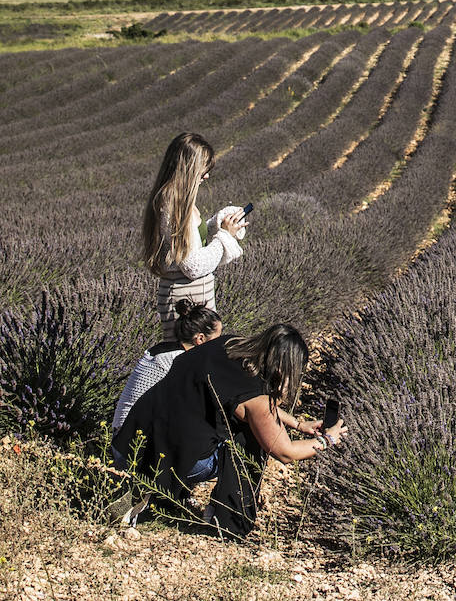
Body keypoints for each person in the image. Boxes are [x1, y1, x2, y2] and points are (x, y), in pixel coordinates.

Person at [113, 323, 347, 537]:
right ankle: (229, 519)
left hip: (131, 444)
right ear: (286, 368)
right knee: (251, 438)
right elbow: (285, 451)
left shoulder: (226, 345)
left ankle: (150, 490)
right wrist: (329, 439)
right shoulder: (257, 399)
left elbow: (248, 402)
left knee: (238, 423)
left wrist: (296, 423)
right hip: (169, 462)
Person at [141, 131, 246, 336]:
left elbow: (191, 242)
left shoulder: (179, 201)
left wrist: (218, 223)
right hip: (184, 302)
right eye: (203, 170)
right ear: (188, 168)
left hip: (195, 297)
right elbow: (192, 264)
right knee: (189, 364)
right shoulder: (172, 204)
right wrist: (224, 236)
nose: (206, 176)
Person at [112, 299, 223, 433]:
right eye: (218, 338)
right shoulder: (177, 361)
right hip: (134, 439)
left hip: (123, 433)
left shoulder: (163, 350)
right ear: (200, 339)